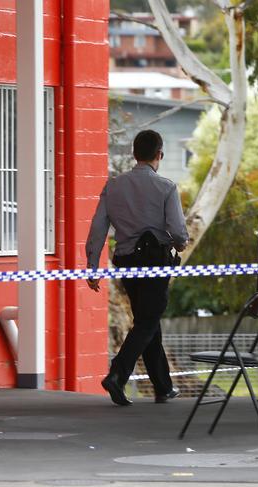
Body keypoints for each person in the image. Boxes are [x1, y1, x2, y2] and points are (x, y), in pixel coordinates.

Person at [85, 129, 189, 406]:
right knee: (147, 320)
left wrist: (92, 264)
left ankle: (163, 386)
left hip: (127, 263)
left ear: (134, 154)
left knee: (147, 319)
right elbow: (178, 230)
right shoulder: (166, 187)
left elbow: (98, 228)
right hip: (156, 262)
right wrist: (180, 244)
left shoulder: (113, 186)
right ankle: (117, 374)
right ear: (160, 155)